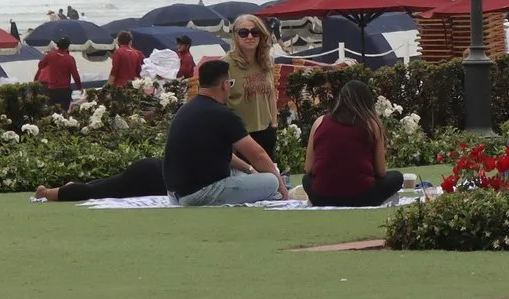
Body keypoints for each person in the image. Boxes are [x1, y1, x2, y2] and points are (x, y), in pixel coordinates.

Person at [163, 60, 285, 205]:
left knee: (244, 174)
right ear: (225, 85)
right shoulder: (224, 114)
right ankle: (276, 196)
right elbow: (258, 155)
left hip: (175, 194)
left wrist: (249, 169)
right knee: (271, 181)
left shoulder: (185, 109)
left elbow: (219, 154)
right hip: (200, 194)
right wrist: (283, 188)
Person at [305, 77, 406, 207]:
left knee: (306, 180)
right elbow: (381, 171)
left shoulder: (319, 122)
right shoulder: (371, 124)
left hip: (321, 197)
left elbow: (308, 169)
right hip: (362, 196)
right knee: (396, 177)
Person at [224, 14, 282, 157]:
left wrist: (274, 124)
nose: (250, 37)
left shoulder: (267, 61)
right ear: (235, 36)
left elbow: (271, 93)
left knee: (268, 177)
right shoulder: (226, 64)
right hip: (240, 136)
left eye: (255, 32)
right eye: (244, 33)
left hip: (266, 131)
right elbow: (220, 102)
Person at [37, 40, 83, 109]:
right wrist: (79, 87)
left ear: (57, 45)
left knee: (53, 111)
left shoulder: (50, 55)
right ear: (68, 47)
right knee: (64, 111)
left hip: (52, 89)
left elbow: (40, 65)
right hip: (65, 89)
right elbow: (75, 75)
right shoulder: (70, 59)